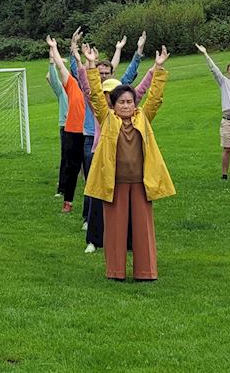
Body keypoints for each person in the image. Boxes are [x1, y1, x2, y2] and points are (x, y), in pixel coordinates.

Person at [82, 42, 174, 282]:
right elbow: (94, 95)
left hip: (141, 182)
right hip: (114, 183)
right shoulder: (107, 118)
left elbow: (154, 98)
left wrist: (159, 68)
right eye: (121, 102)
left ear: (134, 104)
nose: (126, 106)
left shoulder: (143, 117)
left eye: (129, 102)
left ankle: (146, 272)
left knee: (143, 230)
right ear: (114, 104)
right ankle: (115, 272)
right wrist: (91, 64)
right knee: (114, 229)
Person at [194, 38, 230, 183]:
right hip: (228, 122)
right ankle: (224, 174)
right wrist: (205, 54)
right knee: (227, 149)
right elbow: (214, 69)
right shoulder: (224, 82)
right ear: (228, 71)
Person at [47, 35, 86, 213]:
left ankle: (91, 203)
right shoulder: (71, 85)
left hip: (90, 133)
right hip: (72, 132)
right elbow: (61, 68)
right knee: (71, 168)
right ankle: (67, 201)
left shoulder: (95, 90)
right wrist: (54, 48)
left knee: (90, 170)